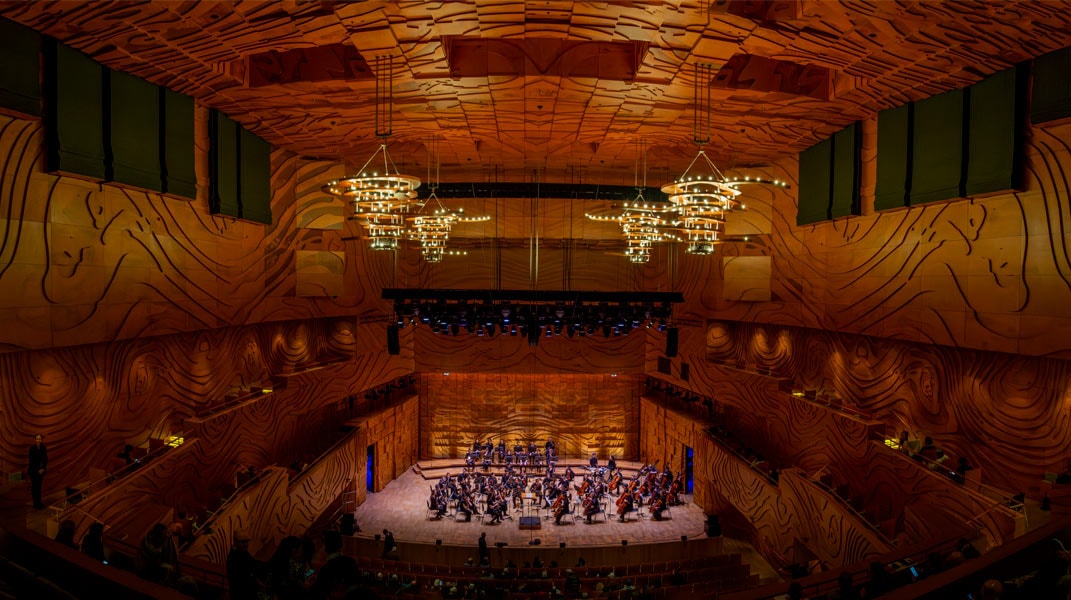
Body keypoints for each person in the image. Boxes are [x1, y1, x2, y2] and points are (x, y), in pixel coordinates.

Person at [316, 530, 358, 599]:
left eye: (320, 544)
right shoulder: (351, 562)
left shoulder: (324, 570)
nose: (318, 548)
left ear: (325, 547)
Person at [227, 530, 260, 600]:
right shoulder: (234, 558)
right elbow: (240, 581)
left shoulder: (242, 551)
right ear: (235, 542)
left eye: (246, 541)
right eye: (242, 542)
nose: (246, 544)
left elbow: (252, 563)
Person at [29, 433, 47, 509]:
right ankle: (35, 503)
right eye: (37, 439)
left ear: (41, 440)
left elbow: (45, 459)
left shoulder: (43, 448)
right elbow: (32, 461)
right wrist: (37, 470)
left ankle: (39, 502)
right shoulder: (32, 449)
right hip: (33, 471)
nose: (38, 440)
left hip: (41, 471)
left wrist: (43, 468)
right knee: (34, 488)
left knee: (39, 487)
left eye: (40, 439)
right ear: (35, 440)